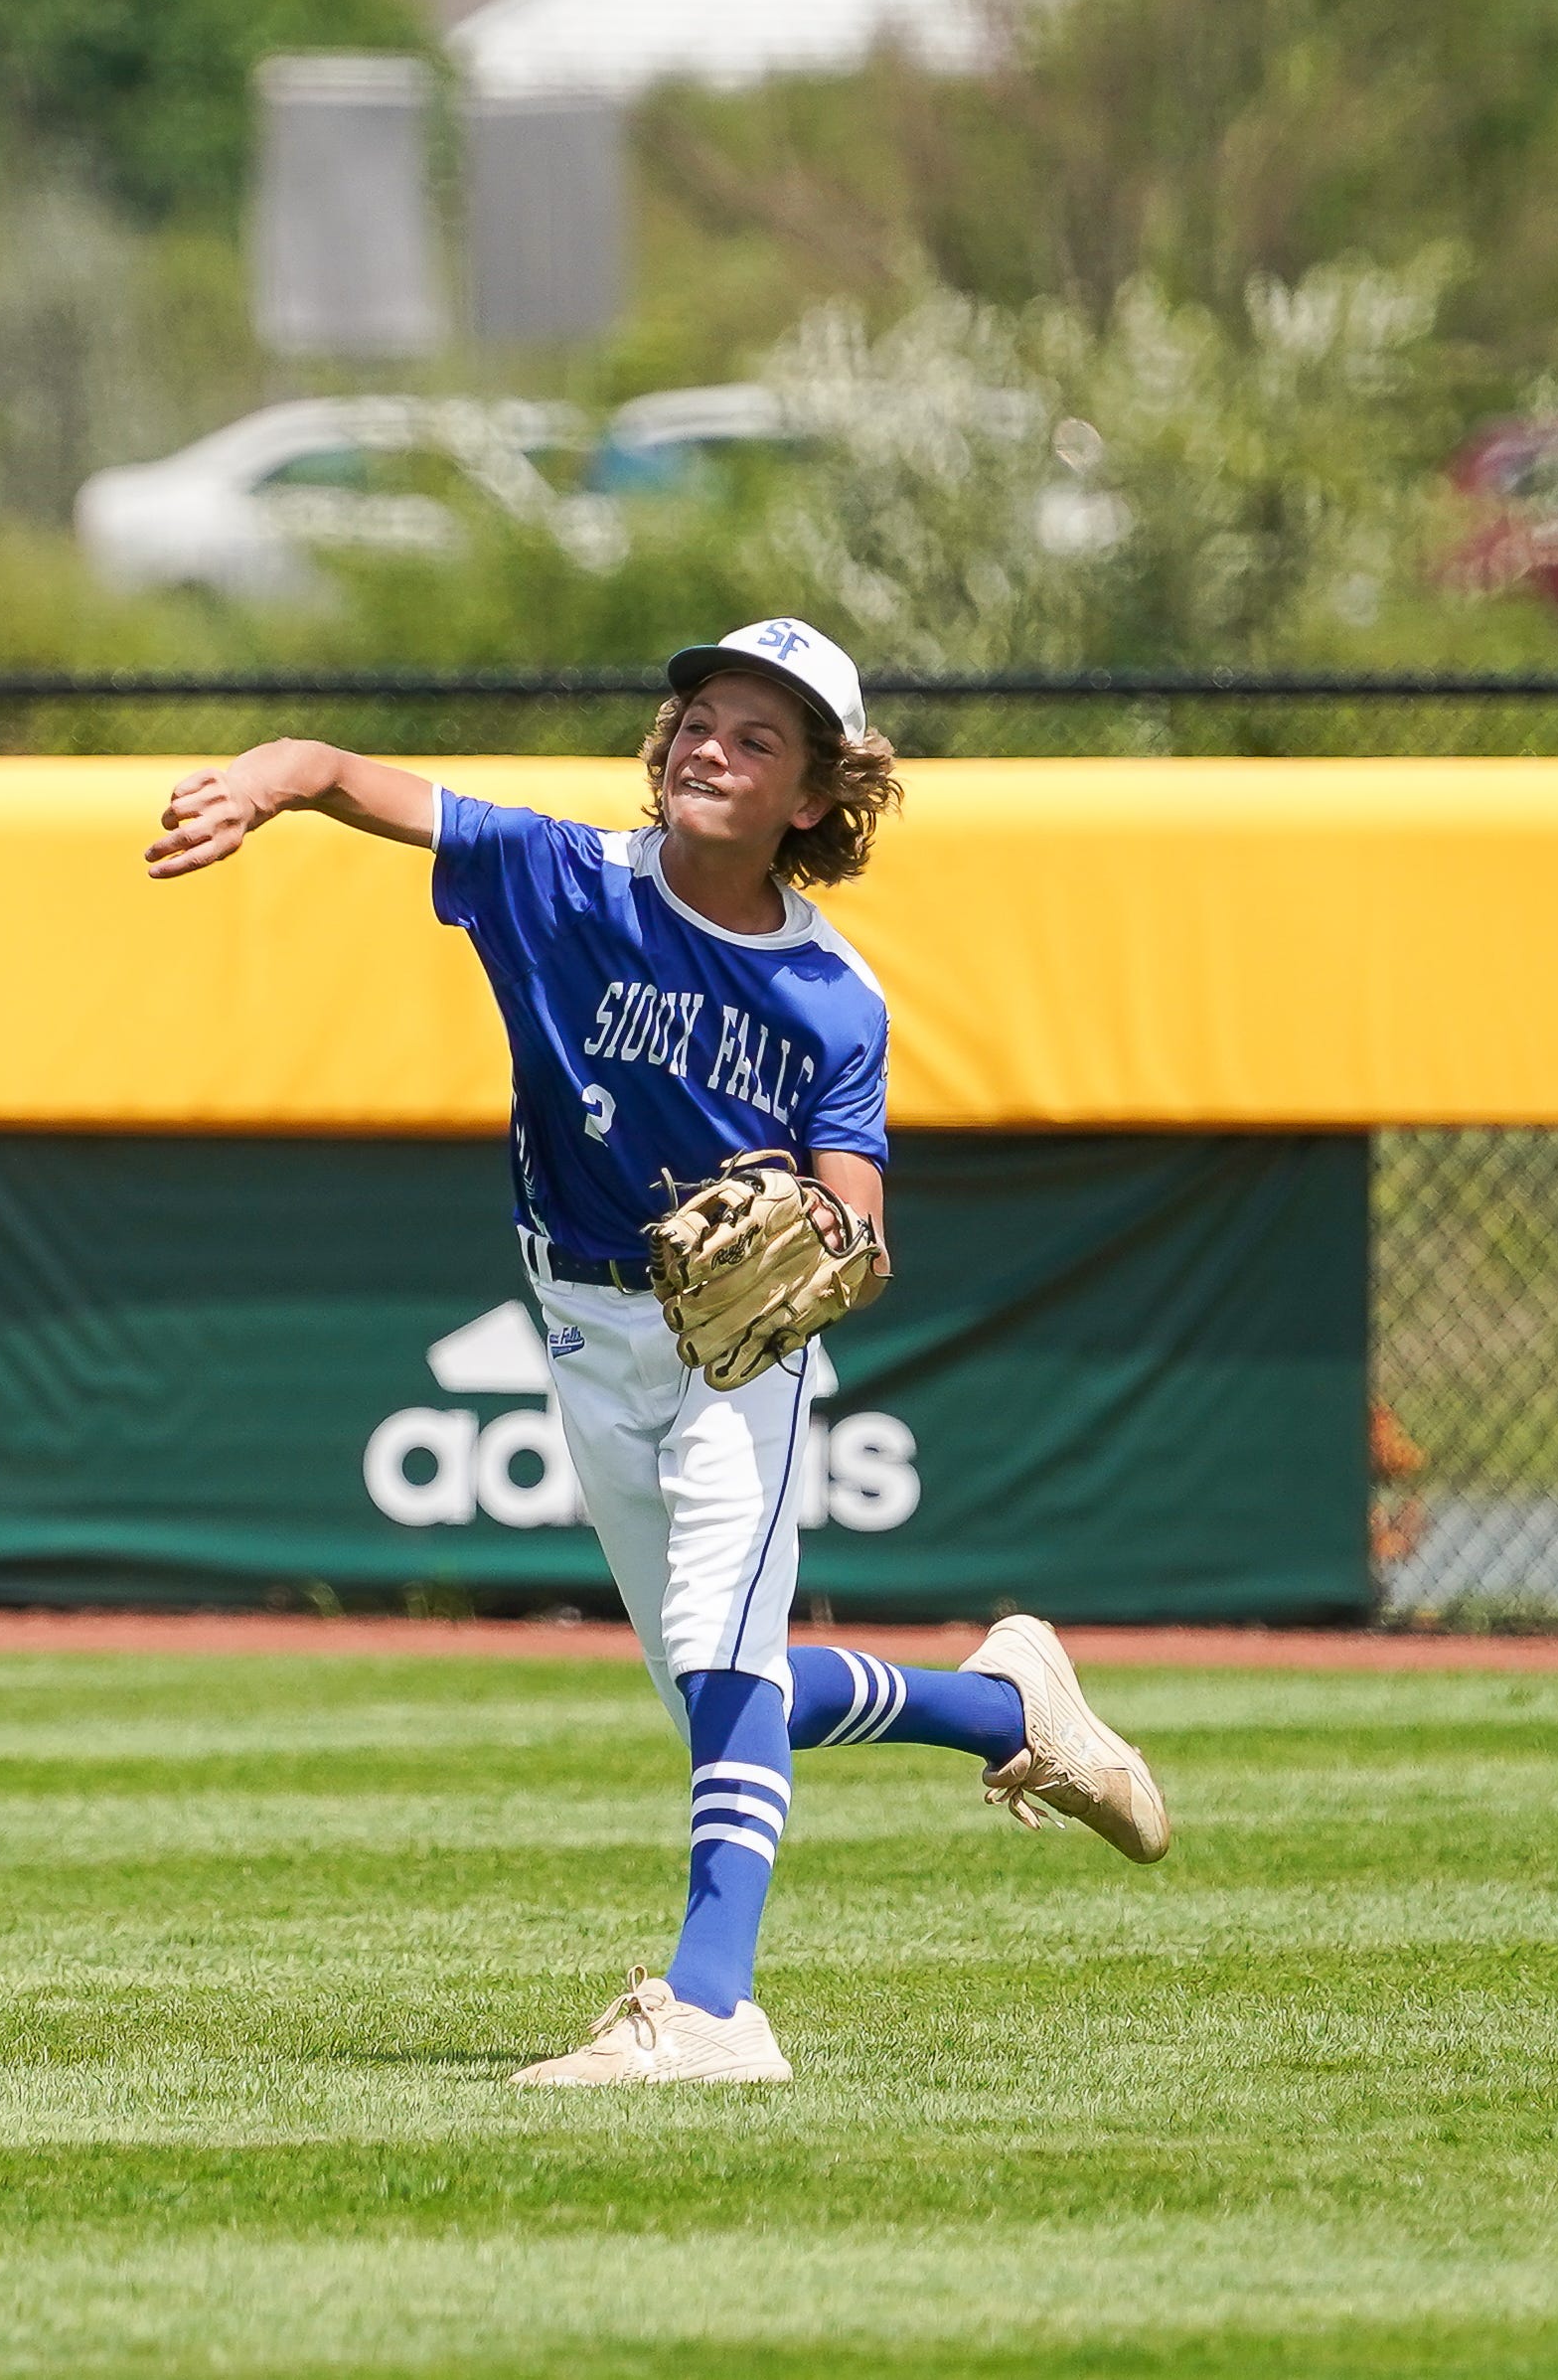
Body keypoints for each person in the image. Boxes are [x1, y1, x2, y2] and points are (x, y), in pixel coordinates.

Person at [146, 617, 1169, 2087]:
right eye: (699, 718)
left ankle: (708, 2010)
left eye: (758, 739)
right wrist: (256, 783)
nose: (711, 746)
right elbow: (336, 771)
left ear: (816, 798)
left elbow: (858, 1204)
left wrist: (828, 1239)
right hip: (578, 1322)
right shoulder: (561, 879)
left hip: (733, 1356)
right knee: (716, 1682)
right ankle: (1004, 1708)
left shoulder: (834, 995)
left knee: (721, 1657)